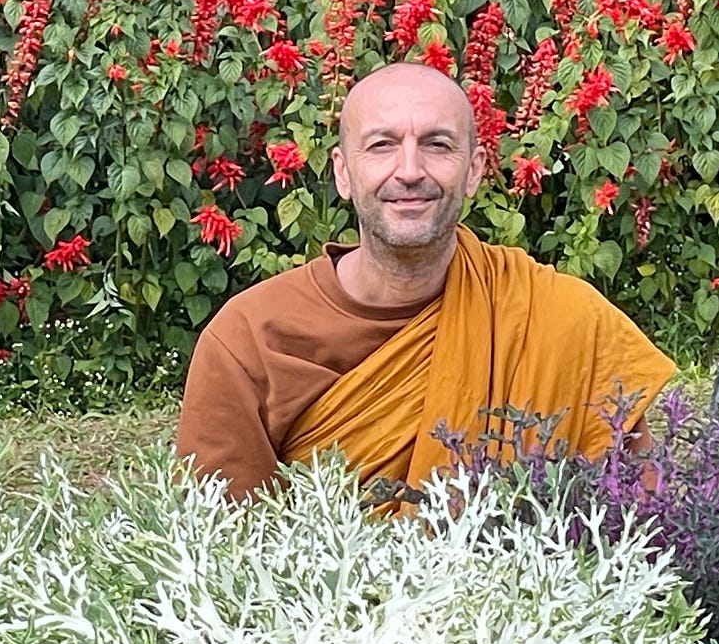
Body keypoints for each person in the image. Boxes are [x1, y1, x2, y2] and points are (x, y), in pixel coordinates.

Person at [174, 61, 675, 501]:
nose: (410, 171)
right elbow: (220, 547)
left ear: (475, 171)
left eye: (437, 145)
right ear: (343, 174)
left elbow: (639, 515)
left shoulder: (563, 319)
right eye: (382, 145)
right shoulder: (247, 340)